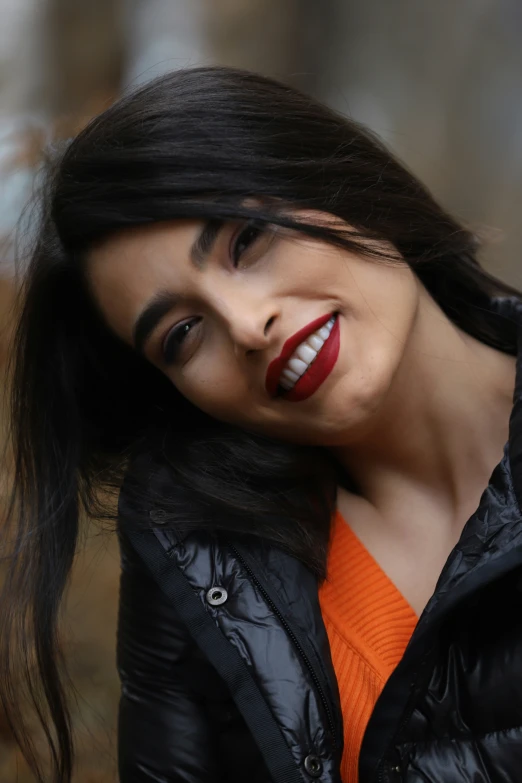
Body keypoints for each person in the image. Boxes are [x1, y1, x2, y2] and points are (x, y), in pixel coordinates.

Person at [1, 66, 522, 783]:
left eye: (248, 239)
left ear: (334, 174)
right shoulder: (206, 556)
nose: (248, 325)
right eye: (183, 334)